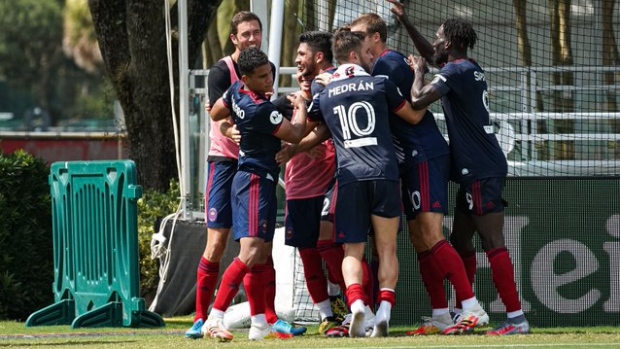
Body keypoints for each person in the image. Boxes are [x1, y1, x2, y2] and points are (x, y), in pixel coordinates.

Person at [390, 2, 530, 335]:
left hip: (480, 167)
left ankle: (516, 317)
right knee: (461, 241)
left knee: (492, 241)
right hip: (474, 167)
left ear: (450, 41)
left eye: (439, 37)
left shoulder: (454, 72)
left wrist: (418, 72)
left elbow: (419, 100)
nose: (434, 41)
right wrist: (405, 20)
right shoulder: (466, 66)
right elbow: (433, 54)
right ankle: (462, 312)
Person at [349, 12, 489, 335]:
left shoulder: (389, 64)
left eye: (359, 35)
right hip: (410, 159)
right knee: (419, 239)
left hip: (425, 153)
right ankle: (441, 314)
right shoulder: (378, 68)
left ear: (375, 37)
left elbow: (413, 114)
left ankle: (471, 306)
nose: (354, 42)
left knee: (431, 234)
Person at [187, 10, 304, 339]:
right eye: (246, 33)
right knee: (235, 246)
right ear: (233, 38)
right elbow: (293, 133)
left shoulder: (243, 89)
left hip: (255, 174)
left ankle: (261, 322)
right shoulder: (241, 90)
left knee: (262, 251)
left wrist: (234, 120)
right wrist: (300, 105)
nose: (253, 37)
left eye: (257, 32)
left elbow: (222, 108)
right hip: (238, 170)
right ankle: (209, 317)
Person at [313, 28, 426, 337]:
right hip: (385, 174)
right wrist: (420, 77)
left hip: (349, 177)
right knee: (387, 248)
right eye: (367, 53)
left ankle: (358, 305)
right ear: (354, 56)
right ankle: (385, 309)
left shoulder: (325, 91)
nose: (372, 57)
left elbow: (312, 127)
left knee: (353, 250)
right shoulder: (380, 83)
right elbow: (414, 116)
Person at [272, 31, 348, 335]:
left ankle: (352, 306)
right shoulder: (288, 104)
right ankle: (327, 316)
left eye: (302, 57)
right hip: (298, 191)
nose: (298, 65)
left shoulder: (329, 91)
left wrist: (304, 142)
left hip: (330, 184)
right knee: (308, 255)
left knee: (333, 250)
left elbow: (328, 128)